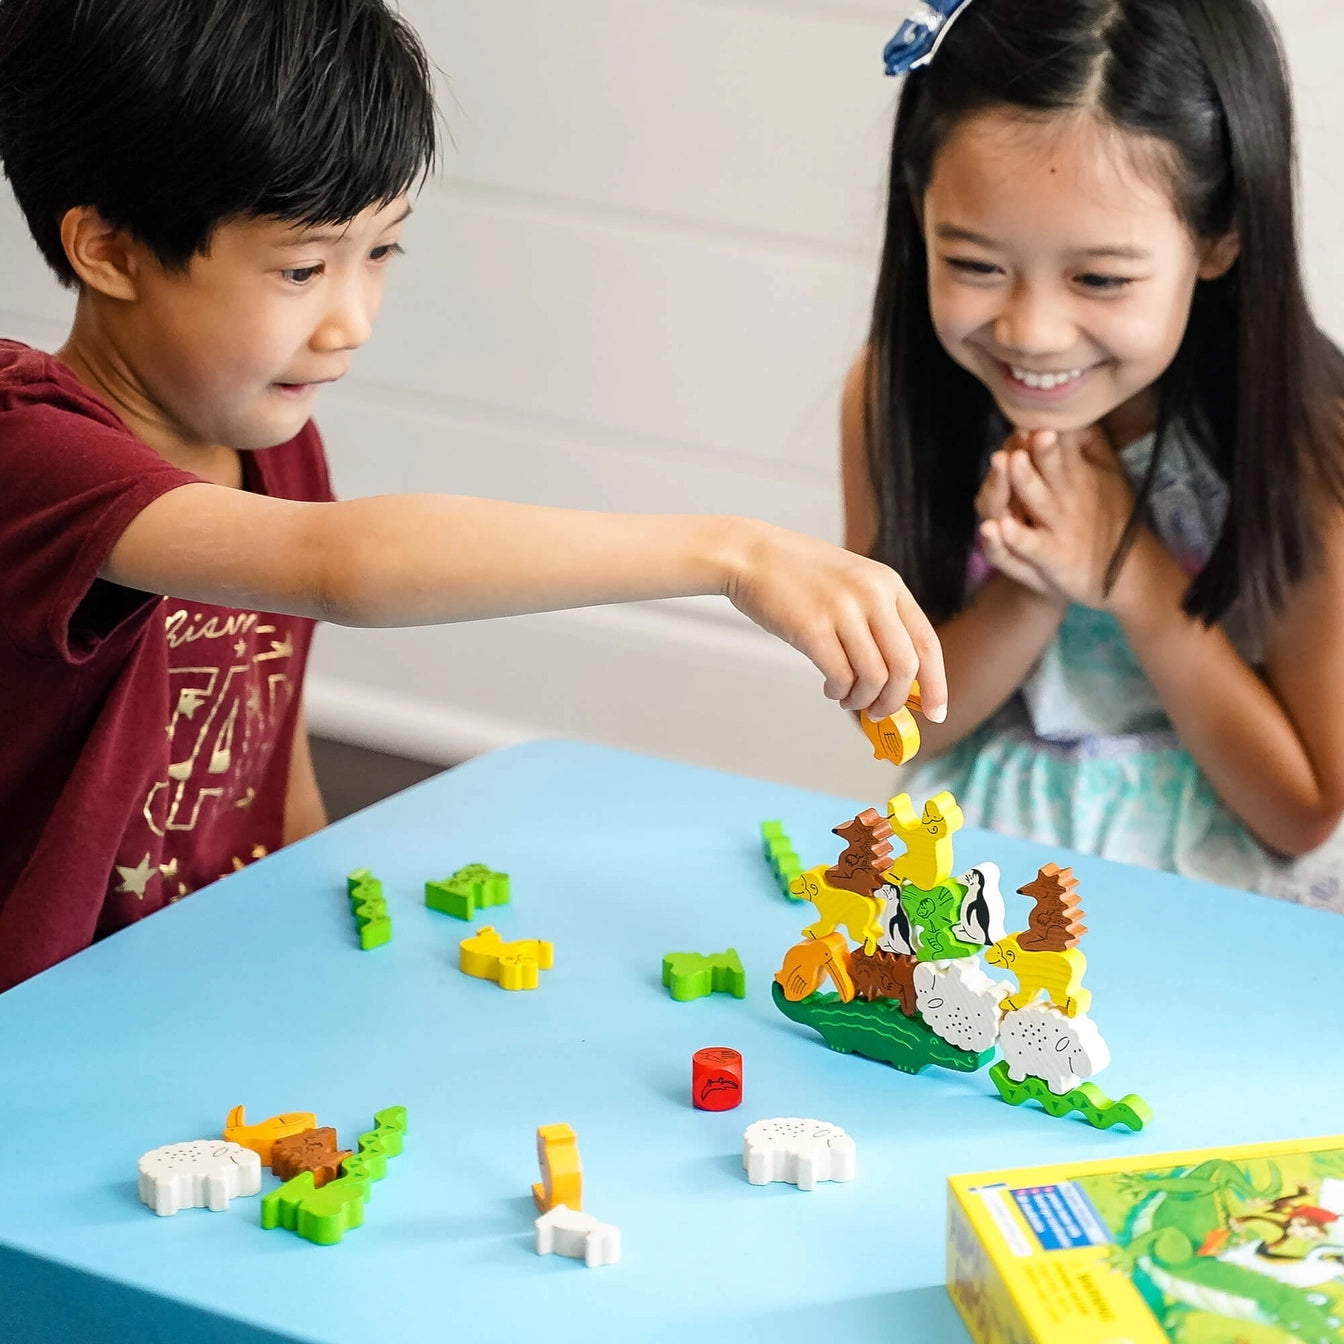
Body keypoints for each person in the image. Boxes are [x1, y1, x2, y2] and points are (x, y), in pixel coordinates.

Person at [0, 0, 946, 993]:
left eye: (382, 252)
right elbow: (343, 567)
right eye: (302, 268)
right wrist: (735, 552)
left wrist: (315, 903)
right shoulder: (31, 452)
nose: (353, 320)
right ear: (109, 250)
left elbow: (267, 743)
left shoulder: (273, 449)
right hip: (47, 1018)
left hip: (203, 975)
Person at [842, 0, 1344, 905]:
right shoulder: (892, 395)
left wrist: (1133, 576)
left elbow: (1303, 809)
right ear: (918, 214)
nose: (1031, 332)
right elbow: (905, 725)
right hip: (975, 865)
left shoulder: (1308, 441)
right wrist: (1036, 579)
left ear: (1221, 233)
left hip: (1216, 895)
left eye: (1101, 278)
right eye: (975, 265)